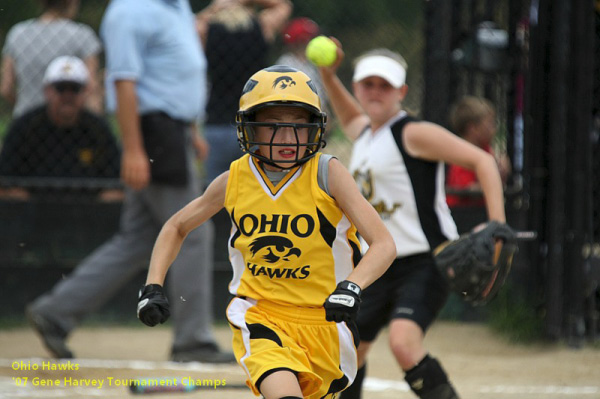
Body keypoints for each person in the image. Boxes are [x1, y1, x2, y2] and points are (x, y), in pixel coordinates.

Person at [136, 66, 397, 399]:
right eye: (273, 125)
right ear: (251, 128)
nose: (287, 139)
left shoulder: (327, 174)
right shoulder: (236, 179)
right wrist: (153, 285)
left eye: (299, 126)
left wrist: (352, 286)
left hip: (326, 322)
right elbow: (176, 225)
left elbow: (384, 244)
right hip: (262, 316)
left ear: (314, 128)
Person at [25, 0, 234, 364]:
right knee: (193, 232)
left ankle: (56, 311)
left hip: (174, 130)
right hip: (154, 132)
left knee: (138, 239)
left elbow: (178, 73)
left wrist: (192, 130)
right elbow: (123, 80)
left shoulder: (177, 7)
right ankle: (192, 340)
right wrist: (134, 149)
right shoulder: (130, 10)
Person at [318, 42, 508, 399]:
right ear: (357, 87)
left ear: (401, 92)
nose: (375, 92)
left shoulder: (412, 132)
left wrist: (497, 223)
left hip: (422, 261)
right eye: (367, 84)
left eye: (385, 85)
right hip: (375, 264)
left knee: (403, 343)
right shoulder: (363, 133)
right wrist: (328, 75)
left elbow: (482, 161)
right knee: (349, 350)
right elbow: (348, 115)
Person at [196, 0, 292, 182]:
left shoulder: (208, 30)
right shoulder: (261, 26)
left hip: (217, 122)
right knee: (257, 189)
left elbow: (191, 23)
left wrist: (217, 6)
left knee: (216, 195)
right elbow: (283, 6)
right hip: (253, 123)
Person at [0, 56, 120, 201]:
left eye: (75, 89)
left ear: (85, 92)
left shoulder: (98, 130)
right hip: (33, 213)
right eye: (61, 88)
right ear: (47, 91)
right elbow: (6, 183)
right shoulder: (25, 128)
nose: (67, 95)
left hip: (87, 213)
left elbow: (116, 186)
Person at [0, 0, 102, 117]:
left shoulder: (17, 34)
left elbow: (6, 88)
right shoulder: (83, 36)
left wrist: (24, 105)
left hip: (26, 122)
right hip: (68, 123)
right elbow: (91, 88)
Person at [446, 95, 511, 207]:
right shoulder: (461, 154)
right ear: (472, 128)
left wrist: (502, 171)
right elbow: (468, 191)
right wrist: (496, 175)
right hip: (462, 213)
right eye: (490, 124)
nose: (494, 128)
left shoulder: (486, 149)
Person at [275, 17, 329, 111]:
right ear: (302, 41)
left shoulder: (312, 64)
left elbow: (322, 98)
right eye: (310, 38)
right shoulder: (286, 64)